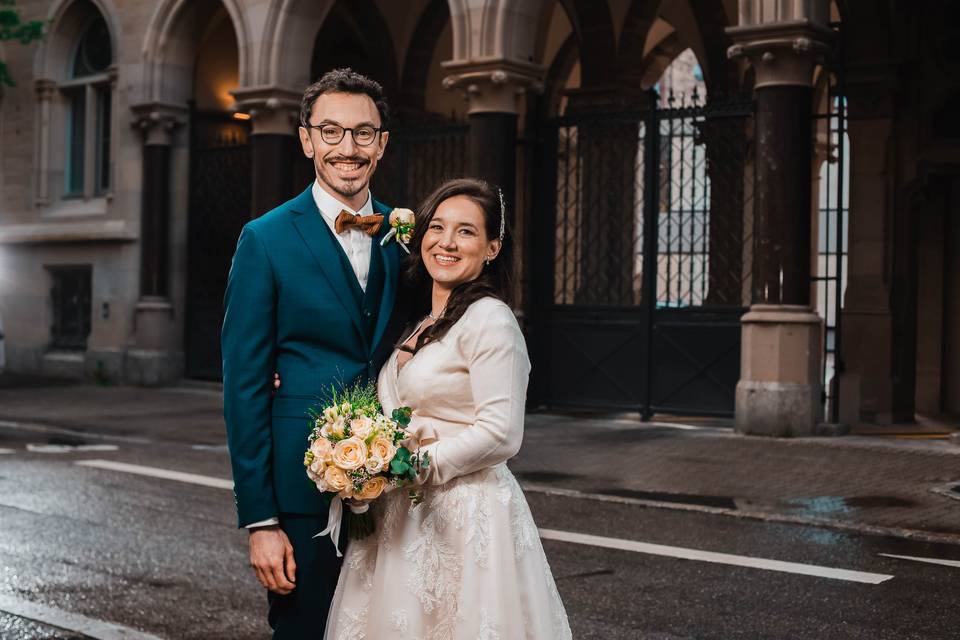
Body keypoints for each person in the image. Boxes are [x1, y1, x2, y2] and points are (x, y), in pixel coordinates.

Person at [324, 178, 572, 639]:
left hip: (464, 515)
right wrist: (366, 466)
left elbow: (501, 433)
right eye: (437, 227)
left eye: (466, 231)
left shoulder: (491, 321)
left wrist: (411, 465)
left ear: (493, 248)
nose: (447, 242)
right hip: (401, 515)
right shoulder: (422, 323)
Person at [221, 68, 406, 639]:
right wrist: (260, 520)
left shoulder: (407, 237)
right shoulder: (265, 238)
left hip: (397, 490)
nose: (347, 149)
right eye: (330, 132)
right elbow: (244, 386)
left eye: (362, 133)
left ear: (382, 144)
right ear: (306, 140)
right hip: (303, 495)